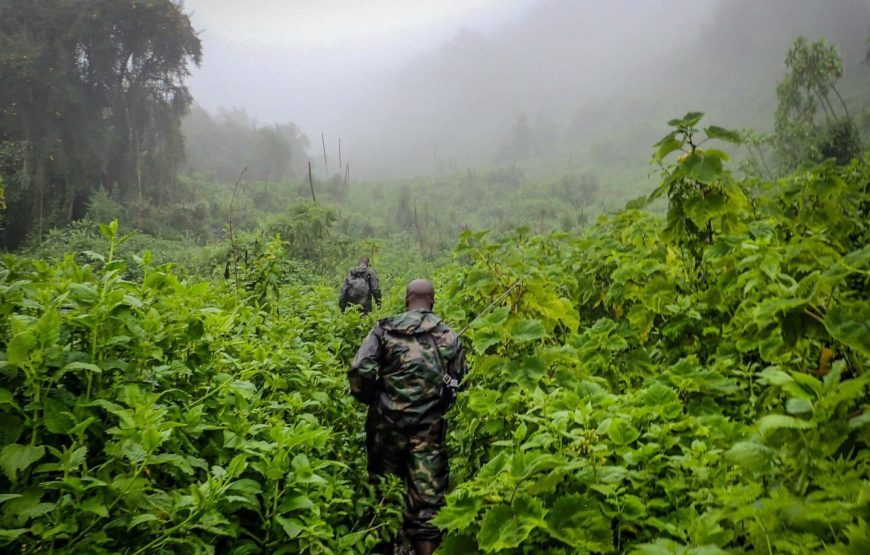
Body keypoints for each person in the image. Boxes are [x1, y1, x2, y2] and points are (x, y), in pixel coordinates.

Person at [348, 279, 467, 555]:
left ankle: (385, 547)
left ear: (406, 300)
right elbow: (458, 381)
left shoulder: (383, 329)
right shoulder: (448, 336)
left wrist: (375, 399)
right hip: (428, 431)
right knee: (427, 505)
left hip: (385, 428)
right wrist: (437, 402)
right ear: (433, 301)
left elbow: (359, 369)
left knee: (382, 494)